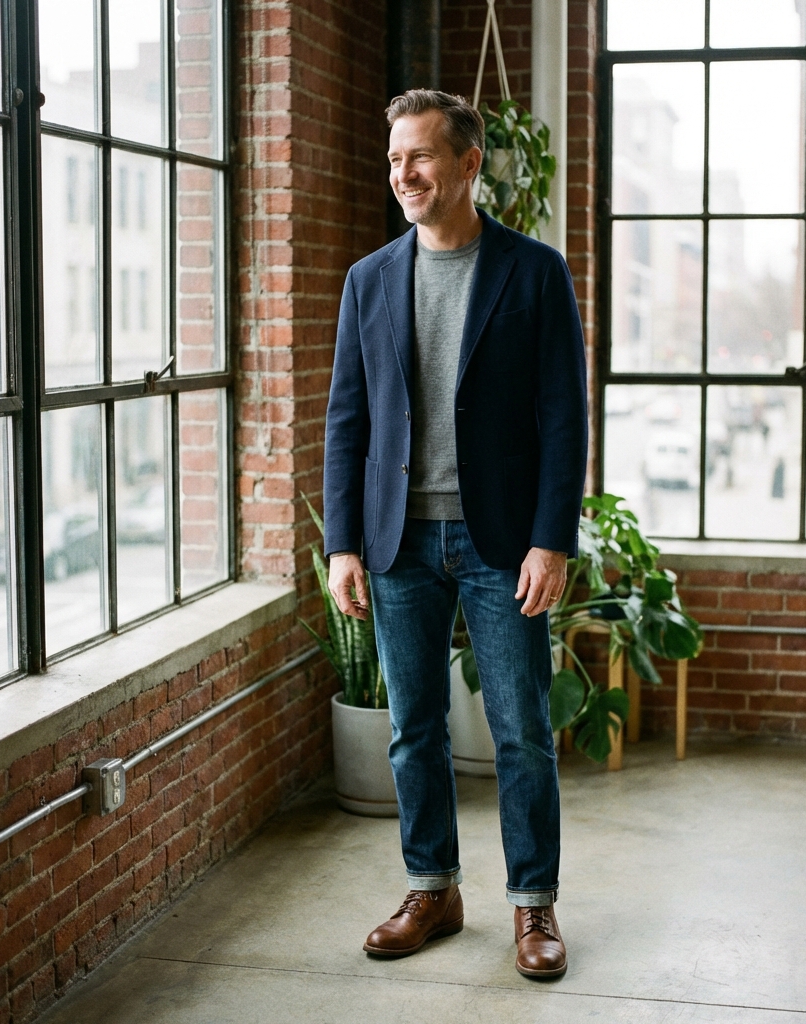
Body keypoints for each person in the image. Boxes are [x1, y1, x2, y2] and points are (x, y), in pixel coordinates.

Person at [322, 89, 588, 979]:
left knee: (519, 730)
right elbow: (347, 421)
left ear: (469, 163)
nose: (403, 175)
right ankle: (431, 887)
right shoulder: (369, 279)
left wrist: (553, 540)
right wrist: (344, 544)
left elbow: (563, 416)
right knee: (412, 729)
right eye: (394, 159)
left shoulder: (534, 271)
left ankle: (533, 906)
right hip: (399, 543)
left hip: (502, 542)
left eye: (420, 157)